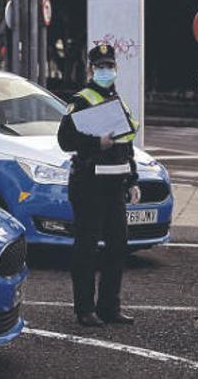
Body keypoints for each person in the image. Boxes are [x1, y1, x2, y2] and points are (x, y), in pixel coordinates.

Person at [57, 43, 141, 327]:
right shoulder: (81, 100)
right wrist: (96, 143)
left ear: (116, 69)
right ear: (91, 69)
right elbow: (65, 141)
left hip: (115, 185)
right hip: (89, 185)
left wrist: (133, 180)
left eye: (110, 66)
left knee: (118, 247)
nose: (106, 71)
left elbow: (126, 146)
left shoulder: (119, 102)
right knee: (87, 248)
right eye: (101, 66)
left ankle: (109, 307)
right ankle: (85, 310)